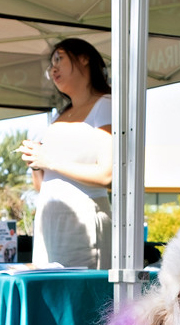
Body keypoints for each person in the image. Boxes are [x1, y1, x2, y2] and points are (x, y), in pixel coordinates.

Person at [19, 39, 112, 269]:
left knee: (82, 297)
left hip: (84, 218)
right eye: (51, 65)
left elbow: (107, 175)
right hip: (49, 221)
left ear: (84, 58)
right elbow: (43, 185)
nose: (54, 68)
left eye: (59, 59)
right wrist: (36, 164)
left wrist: (49, 160)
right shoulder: (59, 116)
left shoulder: (106, 104)